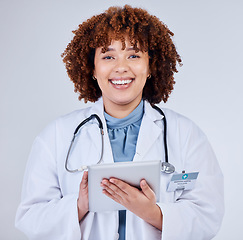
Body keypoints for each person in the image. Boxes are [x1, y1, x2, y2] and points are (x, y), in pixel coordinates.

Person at [15, 5, 224, 240]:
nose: (121, 67)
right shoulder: (56, 135)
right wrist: (79, 205)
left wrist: (154, 214)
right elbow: (30, 217)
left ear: (150, 66)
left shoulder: (186, 134)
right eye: (108, 56)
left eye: (134, 55)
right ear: (93, 68)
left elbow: (208, 214)